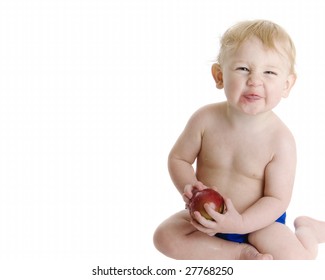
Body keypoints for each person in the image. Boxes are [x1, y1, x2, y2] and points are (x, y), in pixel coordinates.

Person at [153, 19, 325, 260]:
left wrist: (242, 223)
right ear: (219, 75)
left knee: (297, 260)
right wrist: (188, 185)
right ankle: (239, 254)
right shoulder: (204, 119)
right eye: (243, 69)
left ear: (286, 85)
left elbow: (277, 199)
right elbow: (179, 158)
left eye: (269, 72)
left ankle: (307, 230)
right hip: (208, 216)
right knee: (164, 237)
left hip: (259, 222)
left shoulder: (280, 139)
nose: (255, 80)